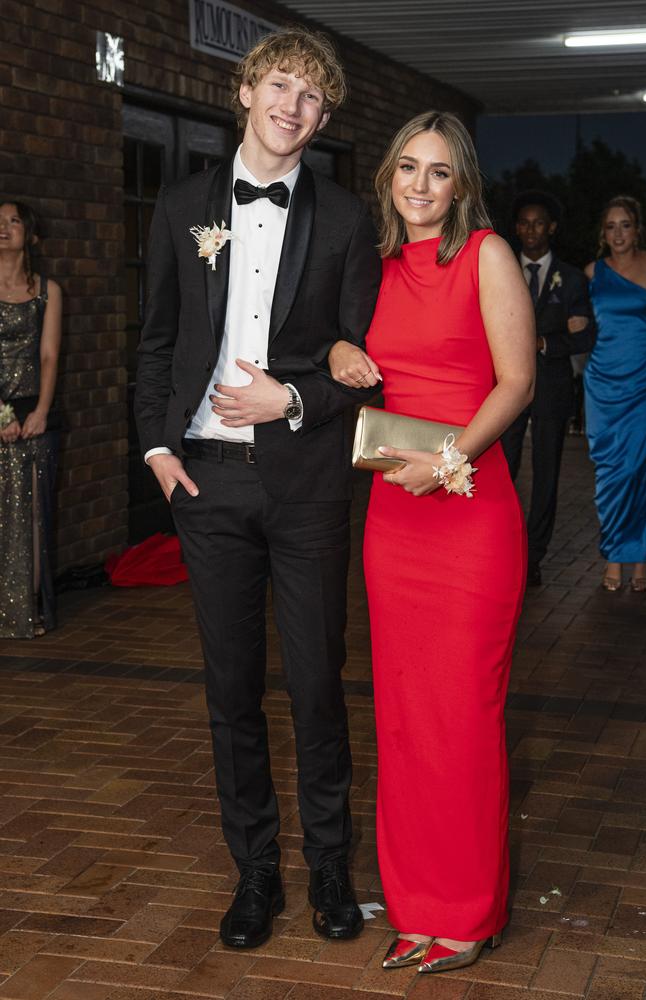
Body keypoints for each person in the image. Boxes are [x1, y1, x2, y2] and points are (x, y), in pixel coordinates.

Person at [134, 28, 381, 950]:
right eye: (280, 85)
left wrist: (293, 398)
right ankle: (256, 875)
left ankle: (328, 871)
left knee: (317, 686)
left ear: (322, 117)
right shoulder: (181, 205)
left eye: (312, 98)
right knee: (232, 693)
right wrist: (157, 451)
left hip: (309, 487)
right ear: (246, 90)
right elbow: (156, 339)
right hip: (206, 485)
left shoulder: (350, 220)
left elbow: (369, 365)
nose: (293, 107)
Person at [328, 111, 535, 975]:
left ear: (462, 185)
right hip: (394, 519)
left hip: (468, 509)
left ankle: (470, 912)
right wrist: (341, 348)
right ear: (388, 179)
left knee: (464, 715)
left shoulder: (485, 255)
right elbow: (338, 346)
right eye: (407, 168)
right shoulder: (372, 268)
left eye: (438, 172)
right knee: (406, 718)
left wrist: (447, 457)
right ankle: (415, 906)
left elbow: (518, 381)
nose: (420, 185)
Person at [500, 191, 596, 586]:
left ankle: (532, 558)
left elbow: (585, 335)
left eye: (539, 223)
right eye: (524, 223)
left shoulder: (570, 277)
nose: (530, 230)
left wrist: (544, 343)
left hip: (552, 390)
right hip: (505, 390)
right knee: (502, 472)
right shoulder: (500, 268)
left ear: (551, 228)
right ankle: (502, 552)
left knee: (545, 476)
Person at [0, 201, 62, 639]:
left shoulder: (47, 290)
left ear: (29, 233)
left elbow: (48, 354)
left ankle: (29, 610)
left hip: (33, 410)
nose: (3, 228)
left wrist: (40, 411)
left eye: (13, 221)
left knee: (35, 513)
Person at [584, 195, 646, 592]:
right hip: (603, 386)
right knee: (610, 473)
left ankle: (640, 561)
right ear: (603, 233)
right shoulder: (592, 273)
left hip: (645, 384)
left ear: (637, 228)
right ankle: (613, 555)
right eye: (611, 226)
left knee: (640, 470)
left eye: (625, 224)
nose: (618, 233)